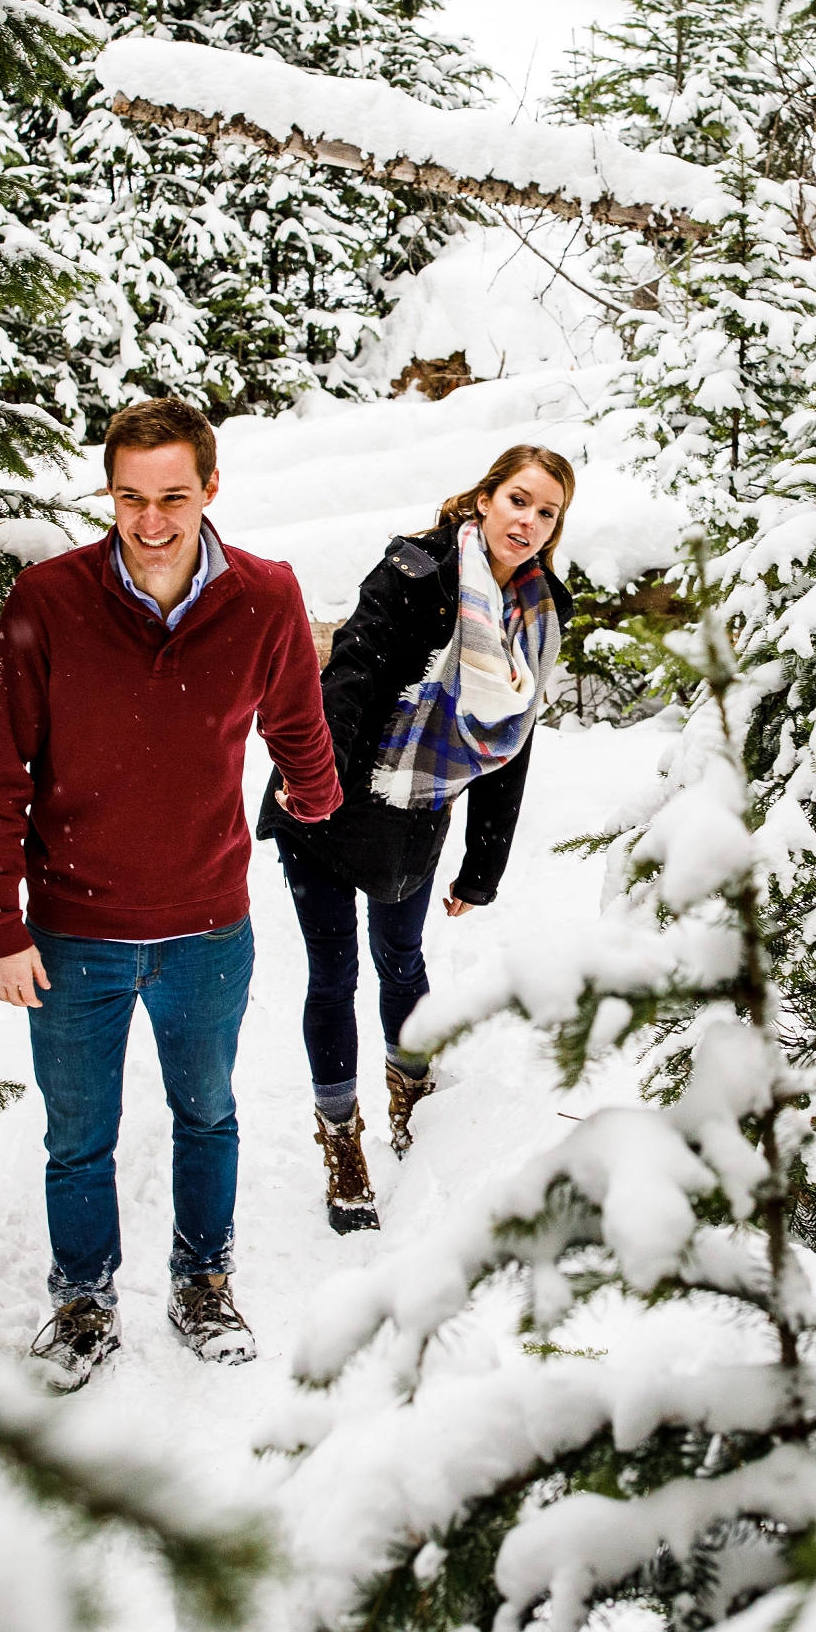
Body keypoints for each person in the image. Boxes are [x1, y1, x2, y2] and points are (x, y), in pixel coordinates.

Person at [0, 398, 342, 1390]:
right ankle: (83, 1298)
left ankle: (202, 1279)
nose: (152, 518)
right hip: (73, 927)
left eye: (173, 494)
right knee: (76, 1135)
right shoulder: (49, 597)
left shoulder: (263, 596)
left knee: (206, 1113)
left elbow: (296, 722)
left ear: (210, 487)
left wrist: (319, 798)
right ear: (110, 494)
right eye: (130, 496)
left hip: (206, 926)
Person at [261, 445, 575, 1232]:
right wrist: (316, 778)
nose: (529, 521)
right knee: (333, 974)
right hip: (330, 795)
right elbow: (354, 671)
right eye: (518, 500)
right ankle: (342, 1140)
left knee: (400, 959)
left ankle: (413, 1098)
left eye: (547, 511)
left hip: (415, 812)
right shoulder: (416, 569)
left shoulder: (540, 611)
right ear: (484, 498)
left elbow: (514, 736)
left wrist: (484, 865)